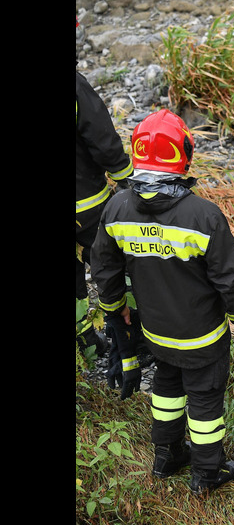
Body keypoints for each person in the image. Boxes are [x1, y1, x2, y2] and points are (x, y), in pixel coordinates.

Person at [90, 109, 234, 494]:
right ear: (184, 155)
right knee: (204, 400)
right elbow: (229, 277)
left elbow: (104, 266)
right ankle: (207, 474)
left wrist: (117, 309)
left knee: (166, 385)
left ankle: (166, 457)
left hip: (156, 331)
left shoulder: (117, 208)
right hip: (202, 336)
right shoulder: (203, 215)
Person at [76, 69, 133, 356]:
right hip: (86, 204)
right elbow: (102, 137)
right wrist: (126, 177)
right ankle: (129, 331)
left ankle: (84, 345)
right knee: (113, 263)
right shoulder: (76, 86)